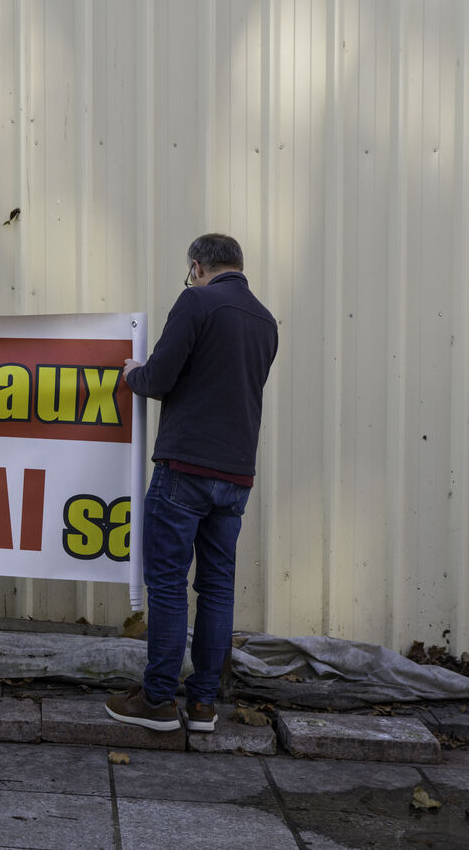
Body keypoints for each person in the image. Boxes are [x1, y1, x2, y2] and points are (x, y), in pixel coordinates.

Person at [105, 234, 278, 733]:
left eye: (191, 273)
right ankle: (203, 705)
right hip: (236, 474)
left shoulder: (195, 302)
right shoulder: (265, 321)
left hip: (185, 466)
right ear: (239, 266)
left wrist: (133, 373)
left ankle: (158, 700)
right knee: (217, 588)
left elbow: (159, 379)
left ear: (198, 266)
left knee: (166, 584)